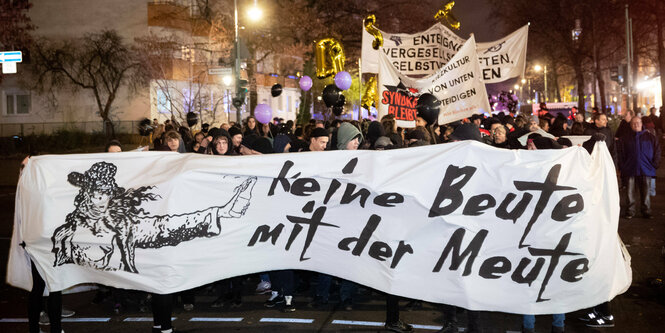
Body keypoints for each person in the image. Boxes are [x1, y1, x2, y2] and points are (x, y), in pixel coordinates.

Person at [617, 116, 661, 219]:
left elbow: (657, 151)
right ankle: (630, 211)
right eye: (633, 123)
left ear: (642, 124)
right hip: (629, 169)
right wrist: (622, 166)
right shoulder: (625, 138)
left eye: (638, 123)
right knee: (629, 193)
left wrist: (655, 164)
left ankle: (646, 211)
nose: (636, 125)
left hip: (646, 169)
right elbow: (620, 153)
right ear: (630, 125)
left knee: (645, 192)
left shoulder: (650, 137)